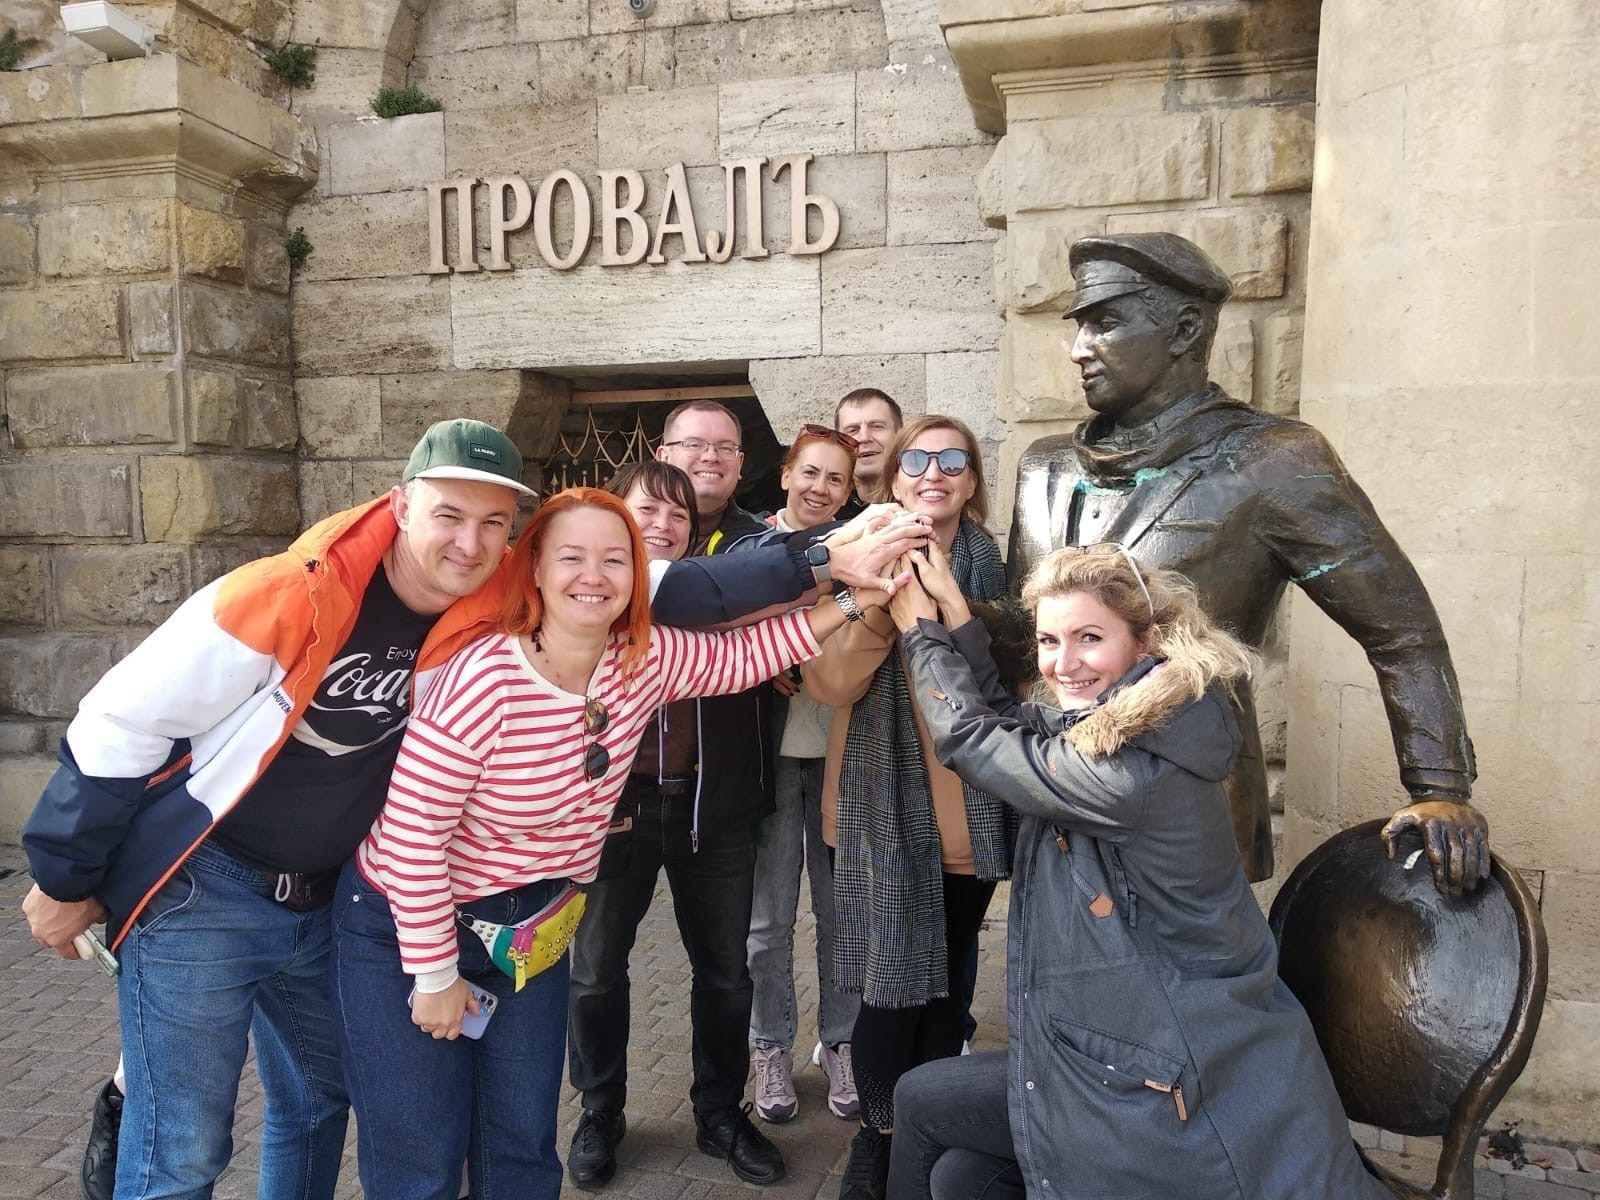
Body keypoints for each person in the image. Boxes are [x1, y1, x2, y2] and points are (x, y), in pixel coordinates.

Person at [19, 417, 926, 1200]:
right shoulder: (309, 600)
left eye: (493, 522)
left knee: (344, 1107)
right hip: (236, 889)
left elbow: (709, 622)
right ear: (401, 504)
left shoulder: (591, 636)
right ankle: (133, 1092)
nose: (468, 540)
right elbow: (122, 725)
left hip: (385, 903)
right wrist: (64, 875)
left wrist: (842, 586)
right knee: (201, 1144)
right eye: (449, 514)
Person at [331, 485, 897, 1200]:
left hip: (529, 929)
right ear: (535, 569)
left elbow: (746, 654)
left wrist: (856, 599)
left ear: (639, 576)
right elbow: (413, 835)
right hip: (409, 927)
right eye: (571, 557)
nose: (593, 577)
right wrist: (436, 976)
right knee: (423, 1163)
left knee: (521, 1149)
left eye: (614, 560)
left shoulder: (641, 657)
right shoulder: (485, 678)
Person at [881, 543, 1391, 1200]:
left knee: (922, 1101)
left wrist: (920, 636)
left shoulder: (1134, 774)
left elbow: (977, 742)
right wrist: (955, 612)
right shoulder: (1147, 720)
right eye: (1049, 640)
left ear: (1144, 640)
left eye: (1089, 638)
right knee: (961, 1176)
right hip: (1128, 1041)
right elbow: (1017, 727)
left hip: (1162, 1070)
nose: (1064, 663)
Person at [1008, 232, 1489, 894]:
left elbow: (1402, 631)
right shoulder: (1045, 468)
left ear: (1183, 330)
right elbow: (1020, 636)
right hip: (1058, 801)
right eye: (1079, 325)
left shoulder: (1274, 462)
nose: (1079, 348)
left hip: (1194, 817)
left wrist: (1439, 787)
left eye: (1106, 322)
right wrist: (912, 593)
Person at [565, 403, 797, 1187]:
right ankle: (600, 1110)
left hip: (714, 803)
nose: (662, 523)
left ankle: (720, 1113)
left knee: (726, 973)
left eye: (675, 513)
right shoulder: (586, 584)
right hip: (613, 809)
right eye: (646, 509)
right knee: (596, 970)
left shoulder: (738, 571)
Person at [806, 416, 1014, 1200]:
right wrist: (879, 604)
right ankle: (880, 1135)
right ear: (893, 477)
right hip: (877, 808)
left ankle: (925, 1132)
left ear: (972, 480)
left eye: (952, 460)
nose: (935, 472)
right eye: (917, 459)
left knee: (947, 985)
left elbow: (1005, 678)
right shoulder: (853, 555)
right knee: (889, 990)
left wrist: (953, 607)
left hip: (971, 811)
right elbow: (829, 683)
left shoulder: (990, 565)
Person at [736, 426, 863, 1123]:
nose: (820, 488)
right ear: (786, 474)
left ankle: (840, 1041)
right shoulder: (750, 551)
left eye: (835, 479)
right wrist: (764, 665)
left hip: (841, 752)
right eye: (810, 472)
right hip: (770, 758)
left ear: (849, 491)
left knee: (841, 913)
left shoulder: (860, 550)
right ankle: (769, 1045)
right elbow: (717, 638)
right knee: (768, 920)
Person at [835, 388, 904, 519]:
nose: (864, 438)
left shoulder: (921, 502)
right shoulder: (824, 509)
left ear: (900, 436)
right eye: (852, 430)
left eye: (877, 426)